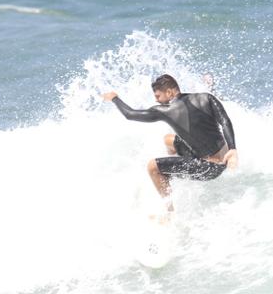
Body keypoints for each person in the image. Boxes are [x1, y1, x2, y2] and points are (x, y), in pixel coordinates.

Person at [101, 74, 238, 212]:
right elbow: (225, 121)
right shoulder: (206, 97)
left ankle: (169, 212)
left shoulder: (166, 111)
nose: (157, 100)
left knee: (152, 167)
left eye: (158, 96)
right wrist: (232, 149)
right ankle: (171, 173)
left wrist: (114, 98)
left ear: (169, 92)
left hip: (208, 169)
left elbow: (129, 114)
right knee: (168, 140)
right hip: (225, 158)